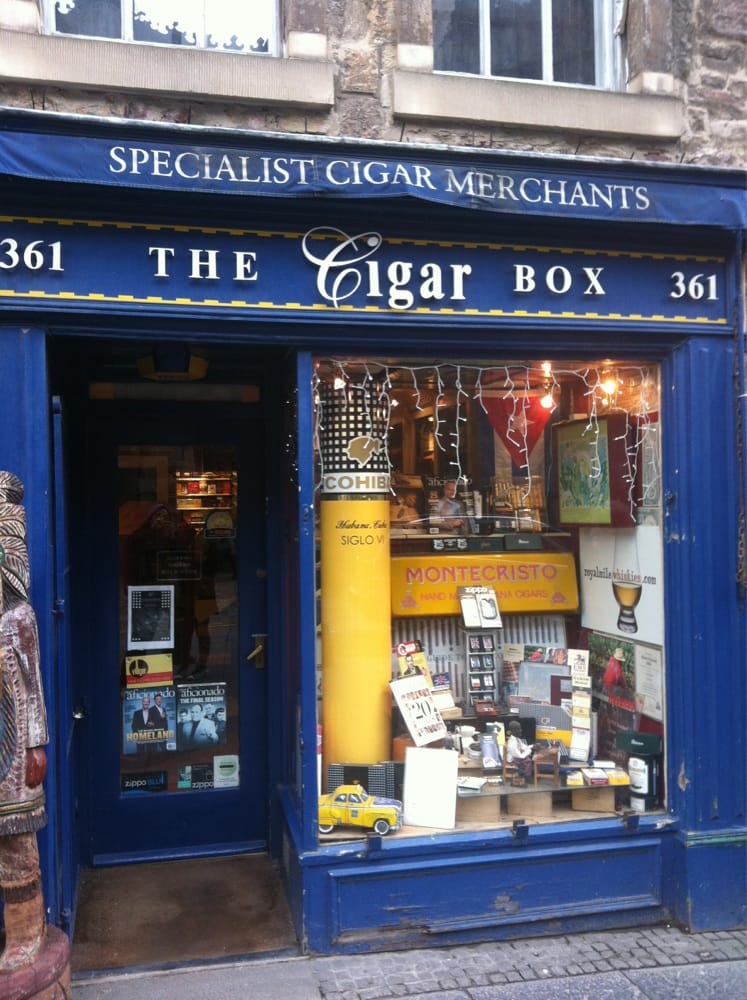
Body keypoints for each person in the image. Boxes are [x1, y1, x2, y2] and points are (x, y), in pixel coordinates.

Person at [0, 472, 49, 970]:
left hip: (10, 752)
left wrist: (37, 744)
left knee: (15, 845)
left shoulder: (17, 619)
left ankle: (25, 930)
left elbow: (32, 688)